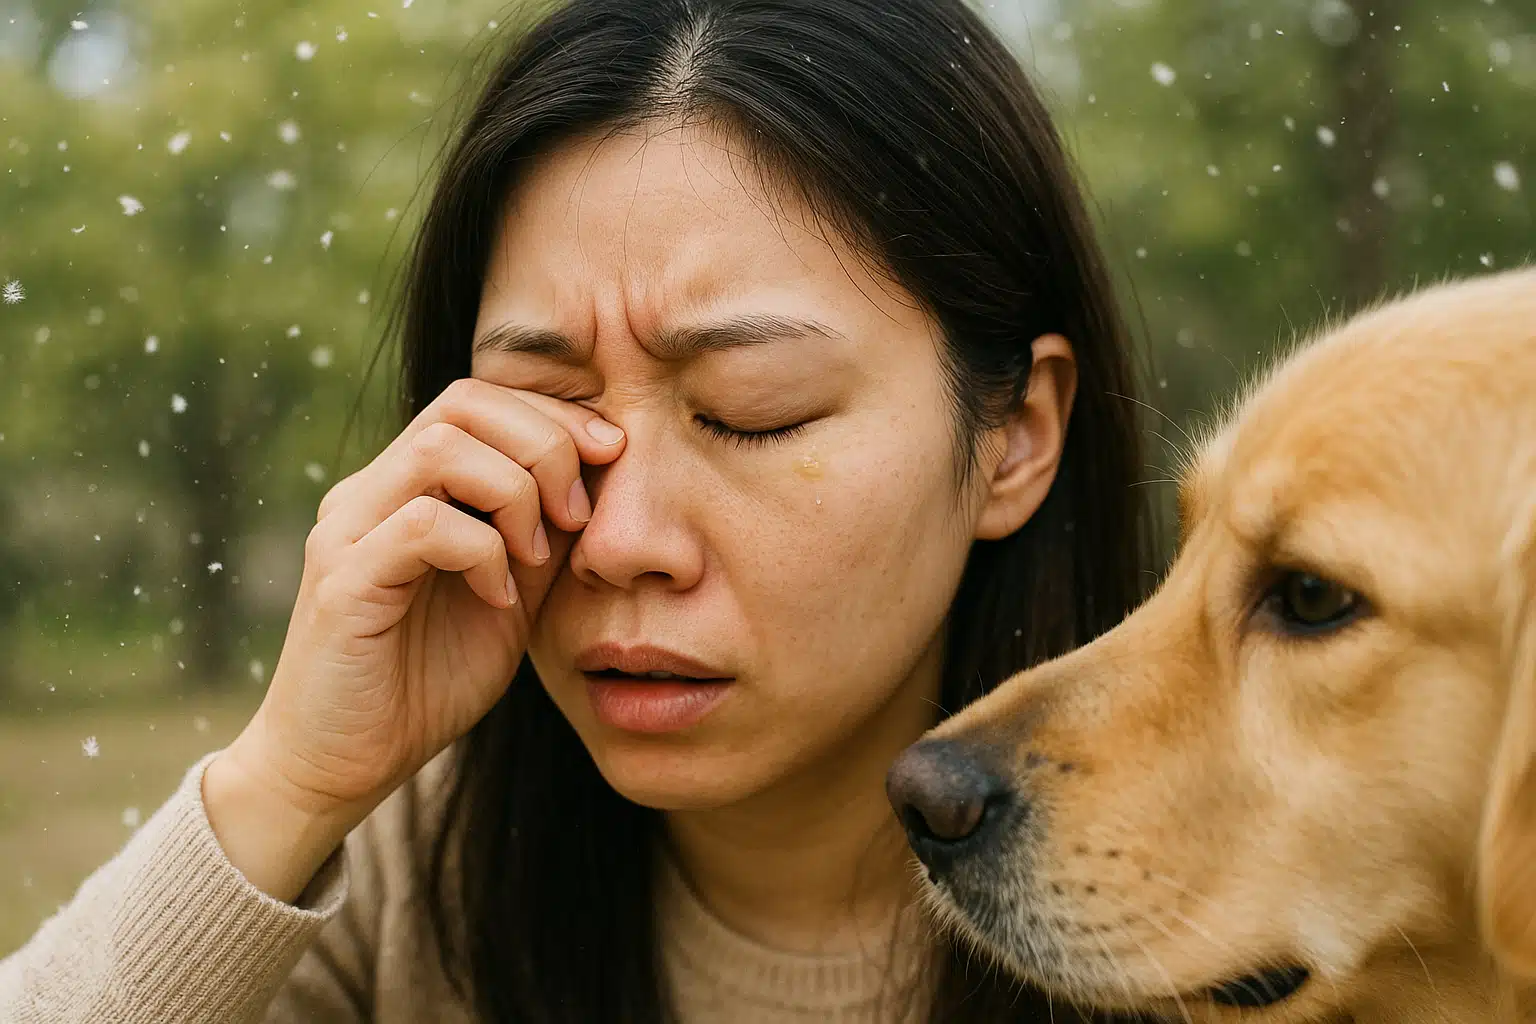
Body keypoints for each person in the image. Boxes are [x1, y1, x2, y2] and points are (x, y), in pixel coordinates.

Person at [0, 0, 1151, 1020]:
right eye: (544, 409)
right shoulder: (402, 879)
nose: (617, 541)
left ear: (1017, 437)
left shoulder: (1245, 904)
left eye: (752, 413)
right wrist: (288, 784)